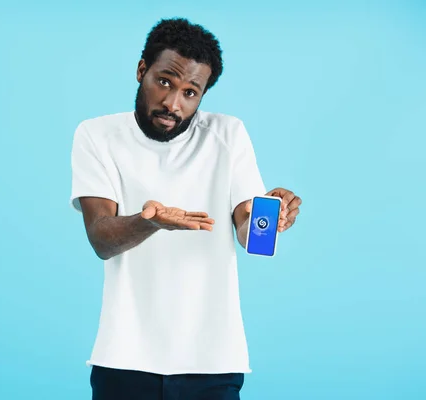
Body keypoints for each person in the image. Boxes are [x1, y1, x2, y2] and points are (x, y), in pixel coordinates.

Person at [69, 17, 302, 400]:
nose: (173, 103)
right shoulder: (97, 135)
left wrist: (271, 218)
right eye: (165, 81)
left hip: (212, 360)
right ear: (142, 70)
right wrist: (151, 221)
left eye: (191, 92)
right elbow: (101, 239)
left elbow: (249, 234)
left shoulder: (228, 134)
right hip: (124, 357)